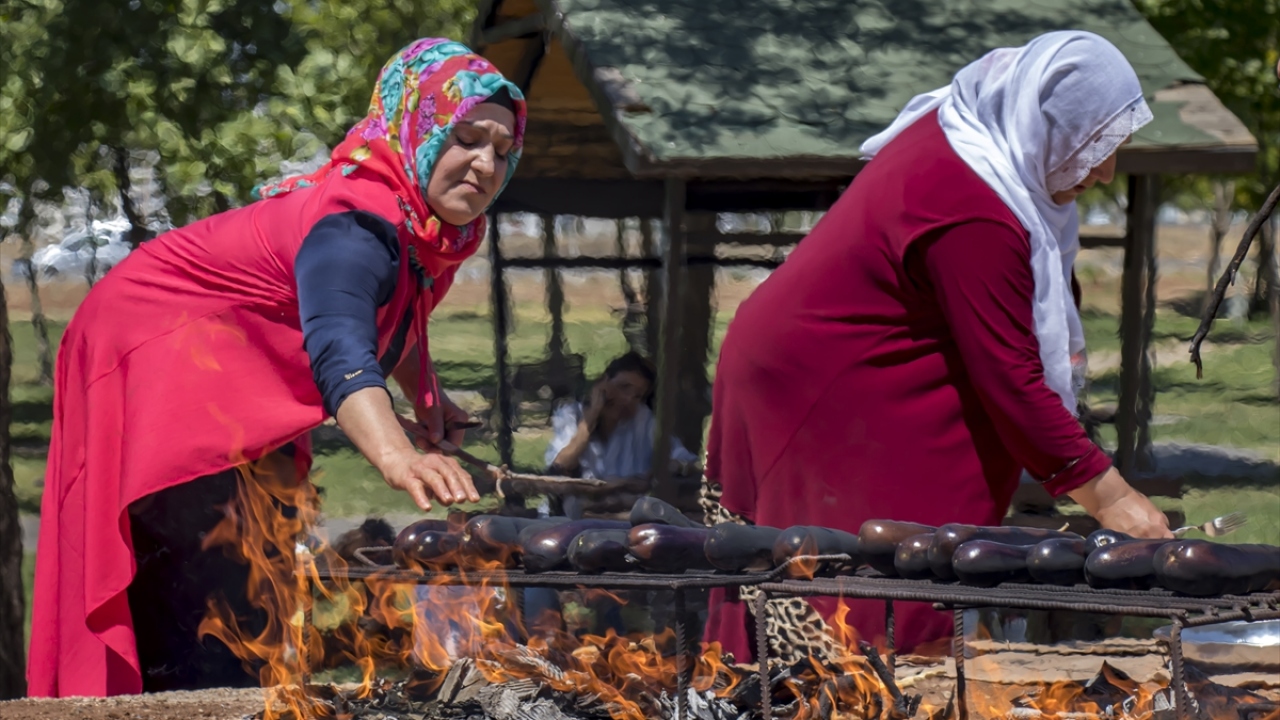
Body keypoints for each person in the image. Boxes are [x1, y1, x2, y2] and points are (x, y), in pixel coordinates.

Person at [29, 39, 527, 697]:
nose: (485, 162)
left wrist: (428, 399)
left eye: (502, 148)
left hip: (213, 372)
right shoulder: (357, 225)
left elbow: (397, 310)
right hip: (155, 354)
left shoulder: (423, 226)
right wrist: (397, 455)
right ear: (419, 132)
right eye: (466, 138)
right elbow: (341, 348)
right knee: (209, 589)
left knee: (257, 572)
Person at [699, 31, 1174, 664]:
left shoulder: (980, 146)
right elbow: (1011, 378)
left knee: (854, 569)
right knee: (854, 574)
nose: (1104, 171)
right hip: (824, 383)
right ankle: (840, 685)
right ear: (1041, 122)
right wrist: (1112, 498)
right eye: (1091, 147)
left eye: (1115, 148)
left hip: (817, 364)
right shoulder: (975, 206)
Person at [542, 351, 700, 519]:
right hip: (571, 521)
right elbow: (559, 467)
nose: (628, 399)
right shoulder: (571, 415)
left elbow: (686, 460)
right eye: (623, 387)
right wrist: (590, 419)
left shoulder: (642, 420)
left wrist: (670, 467)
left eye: (637, 395)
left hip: (624, 519)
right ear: (602, 382)